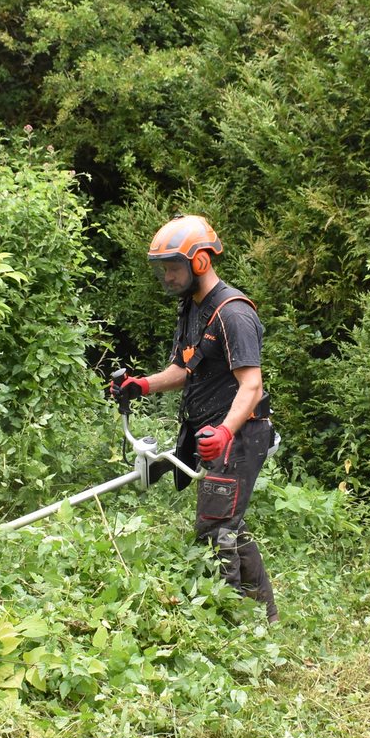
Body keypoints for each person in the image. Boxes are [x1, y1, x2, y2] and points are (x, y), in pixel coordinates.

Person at [112, 215, 278, 623]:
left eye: (172, 267)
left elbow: (251, 386)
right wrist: (142, 385)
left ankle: (233, 623)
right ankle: (264, 617)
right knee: (227, 525)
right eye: (162, 269)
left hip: (239, 433)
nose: (166, 277)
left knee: (215, 529)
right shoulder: (193, 309)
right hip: (213, 430)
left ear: (200, 262)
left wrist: (224, 432)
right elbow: (183, 369)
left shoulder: (233, 313)